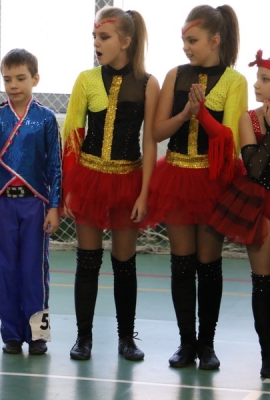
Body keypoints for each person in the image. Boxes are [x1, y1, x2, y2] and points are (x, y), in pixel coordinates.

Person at [146, 5, 247, 370]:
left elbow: (231, 141)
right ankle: (186, 342)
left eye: (193, 40)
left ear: (215, 40)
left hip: (213, 181)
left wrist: (202, 112)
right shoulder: (175, 75)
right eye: (184, 40)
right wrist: (185, 113)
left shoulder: (234, 81)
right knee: (181, 264)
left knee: (209, 264)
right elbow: (157, 132)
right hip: (176, 177)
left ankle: (207, 344)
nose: (186, 47)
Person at [61, 7, 159, 362]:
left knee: (124, 264)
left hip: (127, 181)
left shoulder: (148, 83)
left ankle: (126, 338)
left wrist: (144, 192)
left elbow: (150, 141)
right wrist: (69, 186)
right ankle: (83, 337)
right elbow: (73, 133)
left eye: (104, 37)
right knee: (87, 261)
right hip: (89, 178)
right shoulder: (87, 79)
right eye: (95, 37)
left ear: (126, 41)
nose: (97, 43)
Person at [0, 48, 62, 356]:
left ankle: (38, 335)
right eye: (7, 79)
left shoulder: (46, 118)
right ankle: (11, 335)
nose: (13, 85)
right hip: (3, 203)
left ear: (35, 79)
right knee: (5, 270)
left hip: (35, 203)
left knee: (35, 271)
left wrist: (54, 206)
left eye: (20, 78)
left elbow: (55, 166)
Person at [209, 50, 270, 378]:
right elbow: (256, 168)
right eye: (258, 78)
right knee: (263, 283)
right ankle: (268, 356)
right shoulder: (250, 119)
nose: (257, 85)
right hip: (261, 205)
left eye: (265, 80)